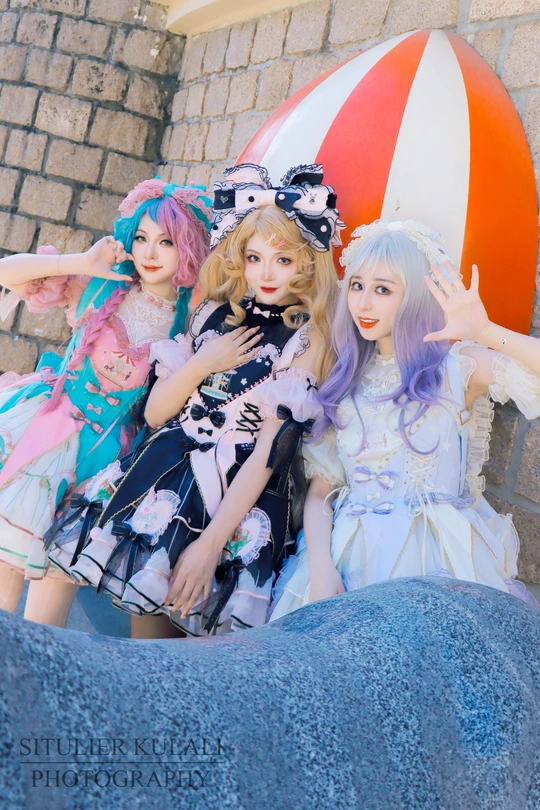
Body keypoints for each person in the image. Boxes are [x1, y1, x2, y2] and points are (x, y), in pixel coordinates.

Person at [48, 163, 344, 636]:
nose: (266, 273)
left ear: (306, 263)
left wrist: (209, 546)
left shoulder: (307, 338)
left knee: (194, 661)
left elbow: (269, 455)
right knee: (145, 645)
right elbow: (155, 414)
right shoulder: (211, 313)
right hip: (163, 478)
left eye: (283, 260)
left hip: (238, 502)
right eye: (254, 257)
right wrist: (203, 363)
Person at [270, 219, 540, 620]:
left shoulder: (455, 368)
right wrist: (321, 567)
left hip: (436, 562)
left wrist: (485, 331)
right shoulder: (344, 378)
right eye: (357, 285)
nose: (363, 303)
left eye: (383, 289)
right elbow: (322, 490)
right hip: (347, 558)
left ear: (415, 297)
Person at [0, 179, 212, 628]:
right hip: (44, 435)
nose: (150, 252)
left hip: (104, 466)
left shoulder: (189, 326)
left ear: (188, 248)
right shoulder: (100, 285)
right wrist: (82, 261)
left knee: (47, 620)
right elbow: (7, 272)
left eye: (166, 242)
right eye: (142, 237)